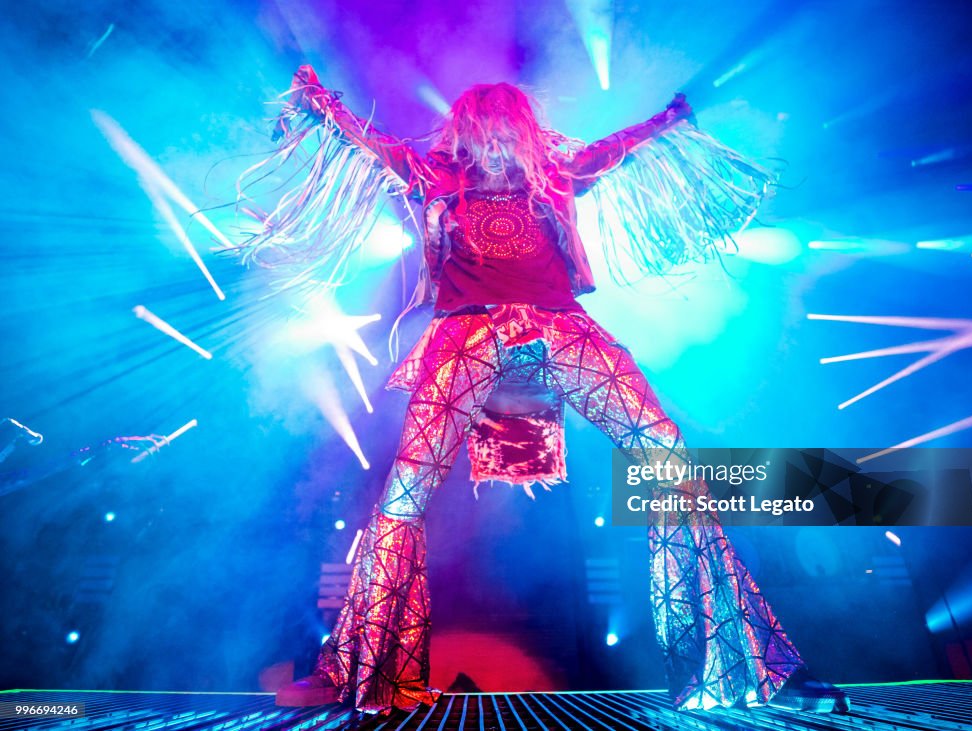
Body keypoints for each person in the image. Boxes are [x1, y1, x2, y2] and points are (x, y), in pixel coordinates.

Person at [239, 65, 848, 716]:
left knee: (670, 463)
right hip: (463, 339)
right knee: (402, 498)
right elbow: (367, 141)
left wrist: (672, 115)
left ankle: (744, 662)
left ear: (524, 133)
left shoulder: (557, 178)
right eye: (486, 129)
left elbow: (621, 147)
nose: (498, 141)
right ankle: (365, 671)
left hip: (561, 328)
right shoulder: (435, 176)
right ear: (467, 134)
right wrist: (319, 97)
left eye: (509, 129)